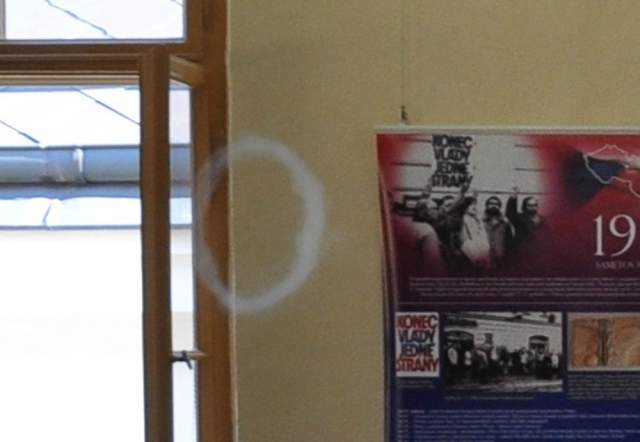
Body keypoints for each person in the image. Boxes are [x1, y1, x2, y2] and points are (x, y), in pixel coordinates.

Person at [483, 196, 514, 268]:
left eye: (496, 204)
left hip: (501, 260)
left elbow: (510, 240)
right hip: (484, 259)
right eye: (491, 203)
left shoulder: (505, 222)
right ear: (487, 205)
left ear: (499, 207)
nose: (493, 205)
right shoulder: (480, 221)